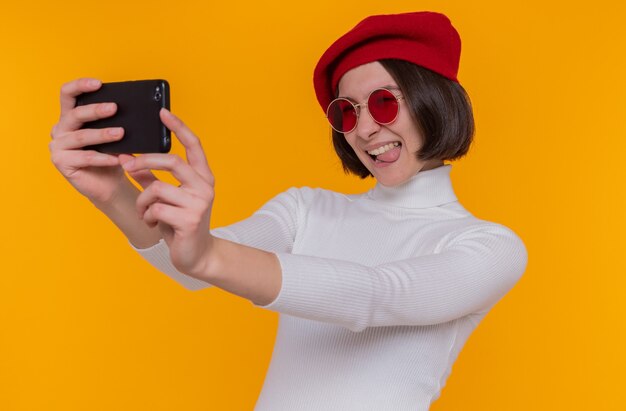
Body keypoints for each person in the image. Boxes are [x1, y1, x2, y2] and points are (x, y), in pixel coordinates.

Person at [50, 11, 528, 411]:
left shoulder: (489, 247)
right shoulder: (306, 210)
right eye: (347, 112)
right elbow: (191, 267)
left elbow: (375, 296)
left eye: (384, 103)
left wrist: (208, 255)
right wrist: (110, 192)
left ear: (434, 100)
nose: (363, 130)